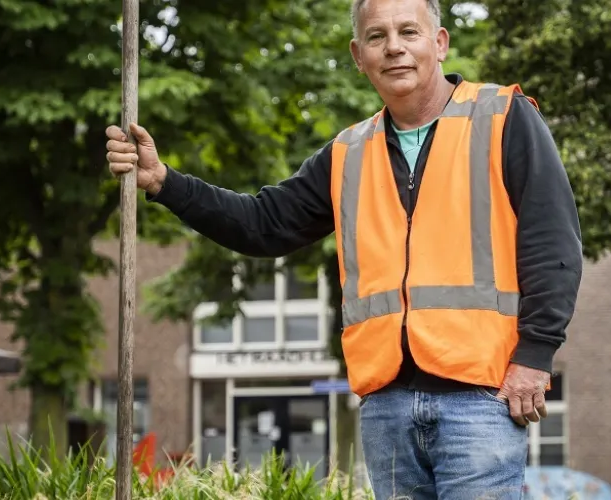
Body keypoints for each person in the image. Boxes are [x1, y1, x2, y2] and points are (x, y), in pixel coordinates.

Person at [105, 0, 583, 497]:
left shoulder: (503, 118)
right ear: (359, 55)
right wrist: (164, 181)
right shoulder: (348, 152)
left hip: (482, 399)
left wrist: (535, 354)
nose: (394, 47)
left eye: (409, 32)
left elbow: (554, 244)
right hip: (386, 406)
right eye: (376, 37)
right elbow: (263, 224)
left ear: (439, 44)